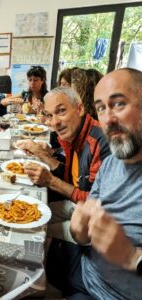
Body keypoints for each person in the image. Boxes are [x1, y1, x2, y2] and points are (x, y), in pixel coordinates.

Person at [63, 68, 142, 299]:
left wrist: (132, 257)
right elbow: (83, 235)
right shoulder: (110, 164)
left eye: (118, 104)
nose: (108, 119)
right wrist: (79, 230)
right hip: (86, 267)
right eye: (100, 108)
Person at [18, 87, 110, 241]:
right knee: (25, 212)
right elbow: (72, 178)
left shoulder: (100, 143)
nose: (55, 122)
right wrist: (48, 154)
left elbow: (97, 205)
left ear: (79, 109)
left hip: (97, 223)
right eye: (49, 115)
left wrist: (51, 181)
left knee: (33, 233)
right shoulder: (74, 135)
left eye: (61, 111)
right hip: (76, 205)